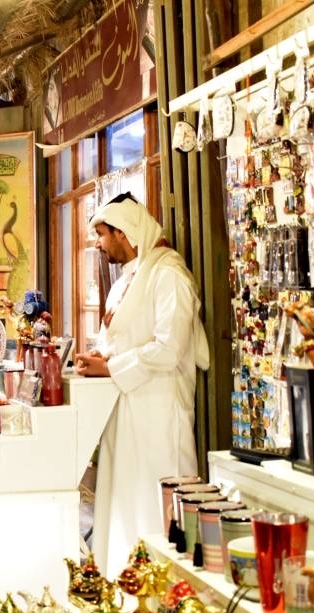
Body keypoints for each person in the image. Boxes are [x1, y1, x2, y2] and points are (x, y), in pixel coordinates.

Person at [74, 193, 210, 577]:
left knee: (156, 505)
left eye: (102, 235)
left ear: (124, 232)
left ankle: (166, 590)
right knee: (123, 502)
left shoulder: (169, 275)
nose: (98, 244)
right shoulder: (126, 281)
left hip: (159, 415)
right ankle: (124, 584)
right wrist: (98, 358)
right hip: (125, 412)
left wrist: (111, 367)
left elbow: (169, 348)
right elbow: (117, 341)